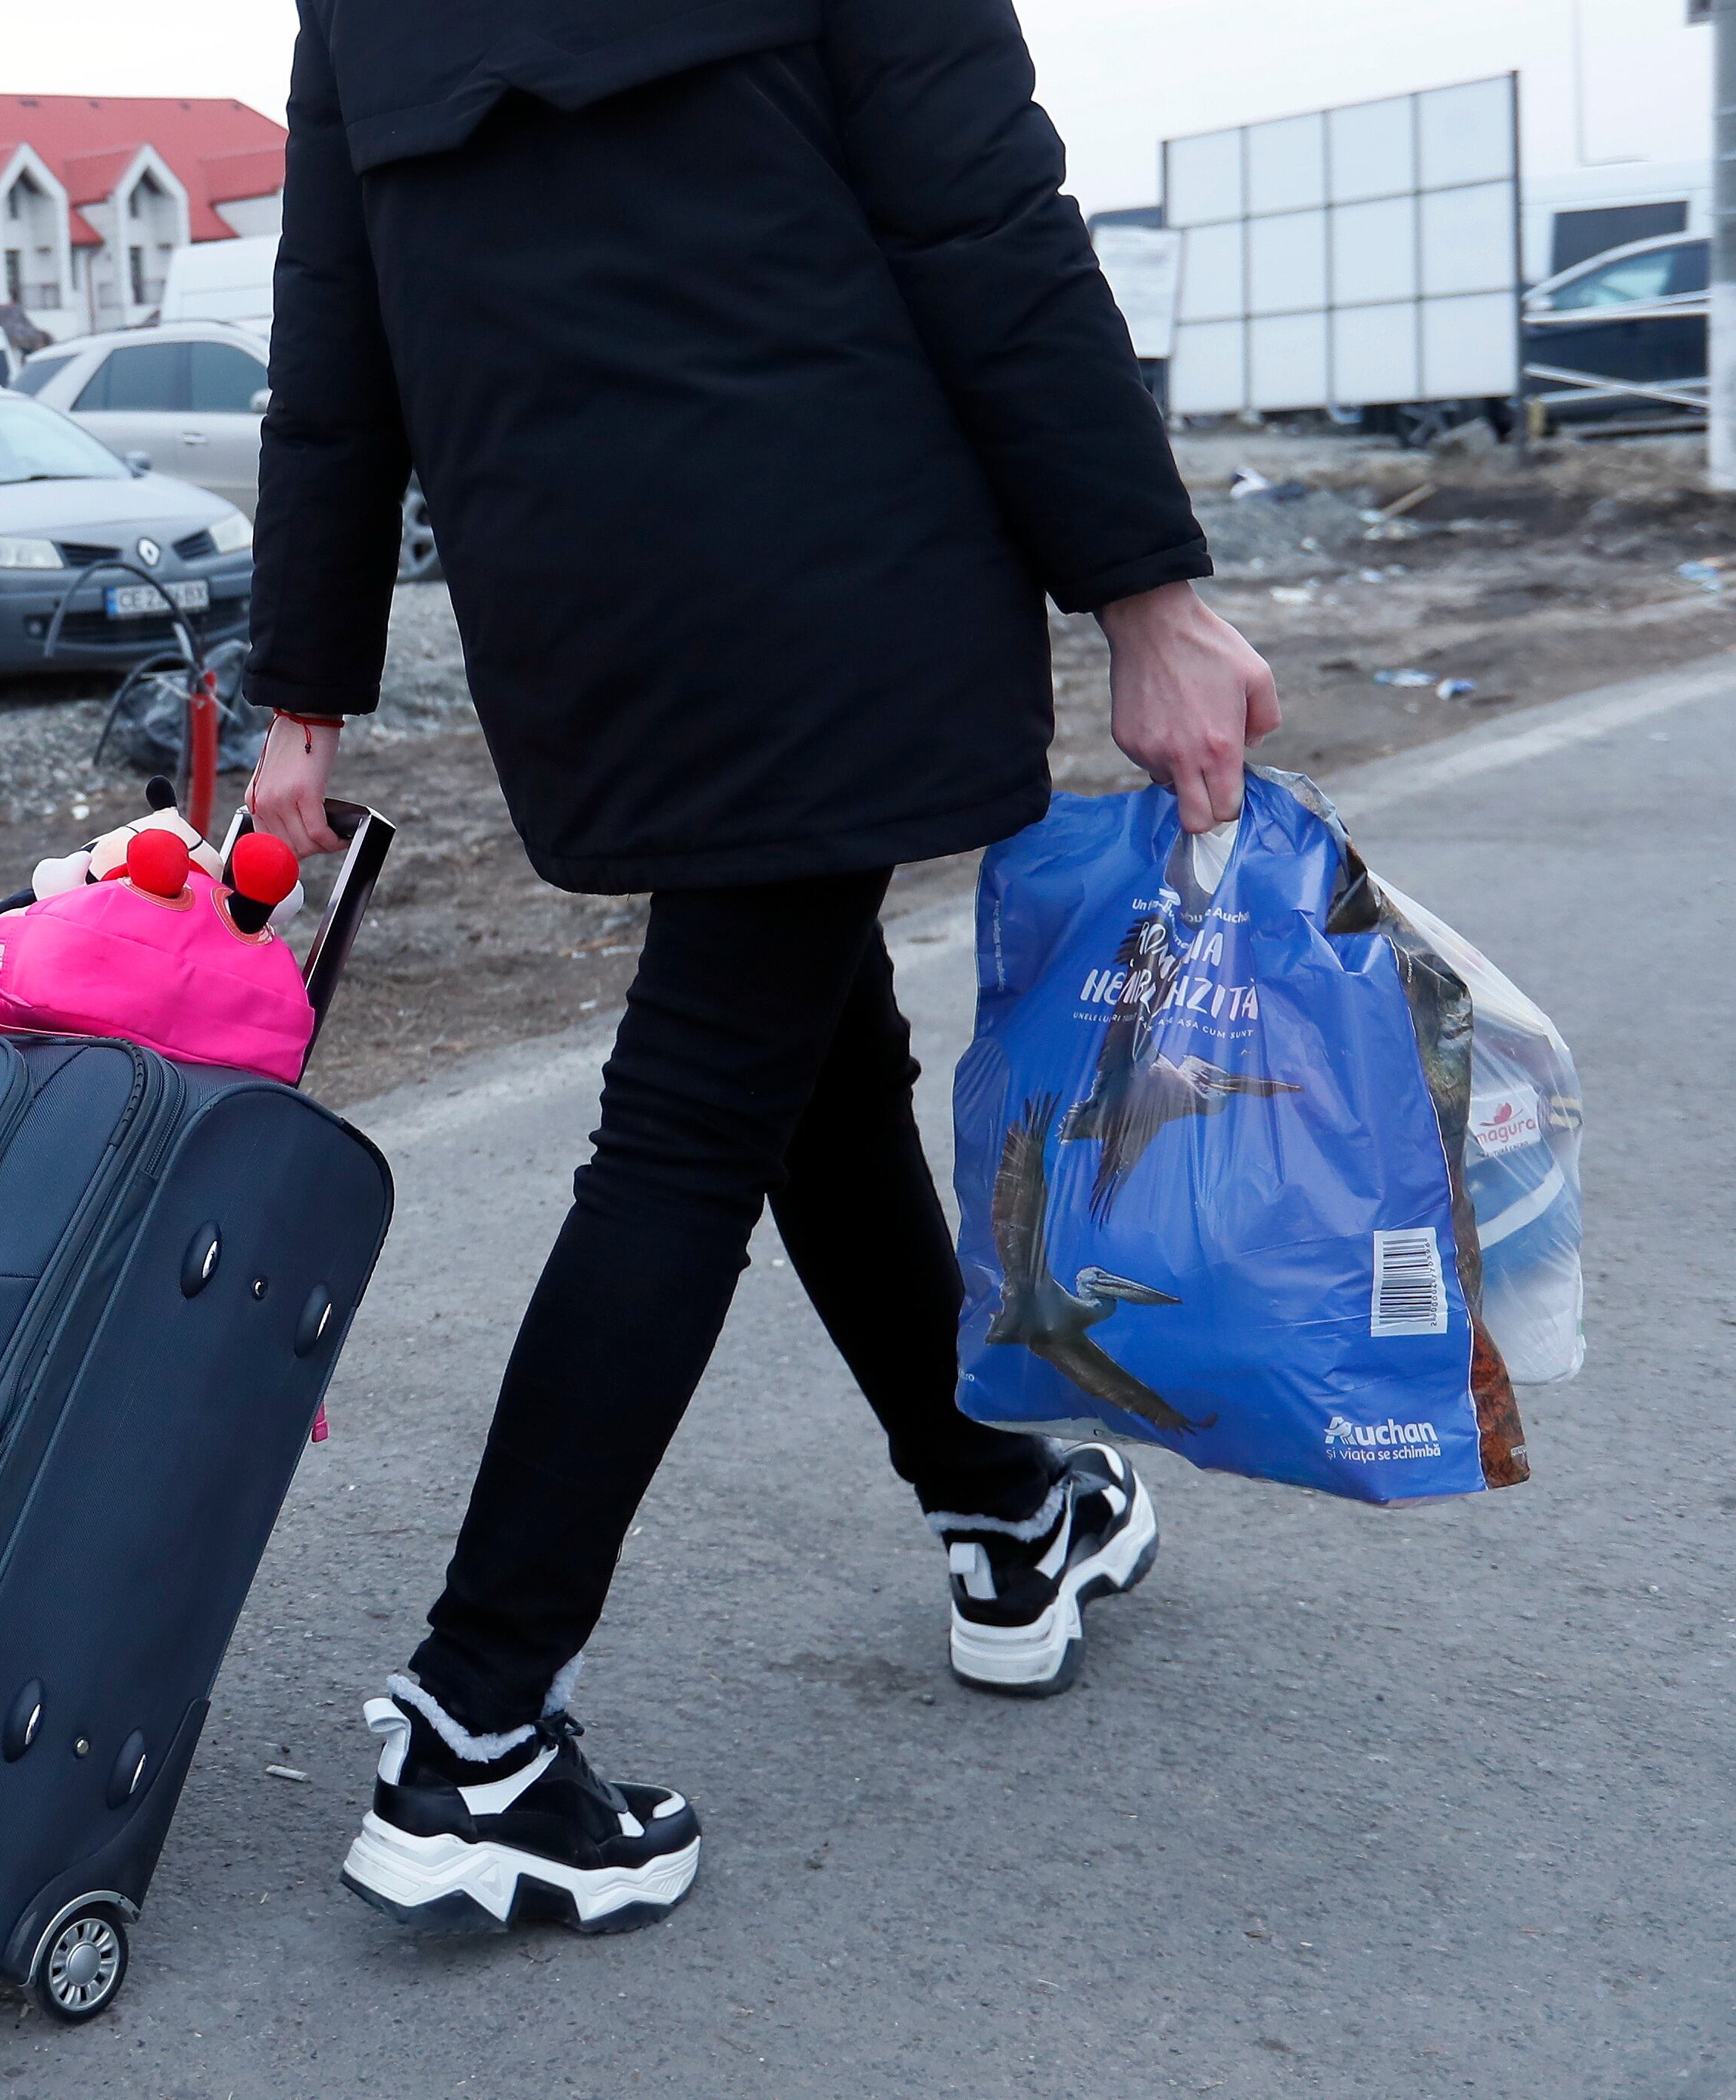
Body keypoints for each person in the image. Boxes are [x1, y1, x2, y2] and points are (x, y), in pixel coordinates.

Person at [243, 0, 1281, 1933]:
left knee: (810, 1057)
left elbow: (334, 341)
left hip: (586, 611)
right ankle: (475, 1728)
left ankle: (999, 1509)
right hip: (839, 566)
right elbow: (982, 220)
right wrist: (1148, 590)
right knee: (696, 1113)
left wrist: (300, 707)